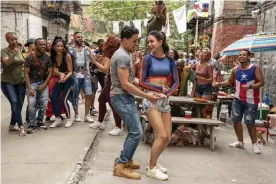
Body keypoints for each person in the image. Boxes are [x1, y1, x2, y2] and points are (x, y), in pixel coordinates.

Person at [111, 26, 160, 180]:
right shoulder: (122, 56)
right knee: (136, 132)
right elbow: (126, 84)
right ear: (124, 40)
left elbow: (132, 80)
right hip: (120, 97)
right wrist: (147, 95)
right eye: (133, 41)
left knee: (134, 130)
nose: (136, 44)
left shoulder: (126, 54)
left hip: (124, 97)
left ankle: (126, 160)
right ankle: (121, 166)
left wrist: (153, 87)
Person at [139, 31, 179, 181]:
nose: (149, 44)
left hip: (164, 99)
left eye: (152, 41)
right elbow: (142, 82)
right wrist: (159, 90)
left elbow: (176, 82)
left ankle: (153, 162)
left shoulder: (170, 60)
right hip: (151, 98)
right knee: (161, 135)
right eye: (148, 42)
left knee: (167, 137)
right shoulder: (147, 58)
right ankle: (151, 168)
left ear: (161, 41)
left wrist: (167, 94)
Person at [213, 49, 264, 154]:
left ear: (249, 57)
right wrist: (218, 84)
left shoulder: (255, 68)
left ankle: (255, 144)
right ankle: (240, 142)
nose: (241, 56)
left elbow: (261, 82)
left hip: (251, 100)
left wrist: (250, 86)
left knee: (250, 122)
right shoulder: (235, 69)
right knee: (236, 120)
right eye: (240, 55)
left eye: (244, 55)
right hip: (237, 99)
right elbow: (229, 81)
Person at [89, 35, 123, 136]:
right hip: (113, 79)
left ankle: (118, 127)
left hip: (112, 80)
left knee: (112, 102)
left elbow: (105, 69)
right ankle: (100, 122)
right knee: (102, 99)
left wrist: (94, 62)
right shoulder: (117, 52)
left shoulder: (108, 53)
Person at [24, 38, 53, 133]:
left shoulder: (47, 57)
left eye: (44, 44)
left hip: (43, 83)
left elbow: (50, 72)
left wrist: (44, 85)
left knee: (44, 104)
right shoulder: (30, 57)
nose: (43, 46)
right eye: (41, 44)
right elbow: (26, 73)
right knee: (31, 103)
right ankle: (32, 124)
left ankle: (40, 121)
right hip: (32, 84)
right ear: (36, 46)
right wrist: (29, 88)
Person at [1, 32, 26, 136]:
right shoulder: (4, 51)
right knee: (14, 102)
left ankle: (12, 125)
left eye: (16, 39)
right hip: (8, 81)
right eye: (12, 39)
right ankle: (21, 126)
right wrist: (14, 54)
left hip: (20, 81)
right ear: (7, 40)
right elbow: (6, 63)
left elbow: (22, 63)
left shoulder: (20, 50)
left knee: (19, 103)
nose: (14, 41)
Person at [68, 32, 94, 123]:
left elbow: (92, 60)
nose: (80, 38)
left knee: (88, 94)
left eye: (81, 37)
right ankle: (76, 115)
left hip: (86, 74)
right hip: (75, 74)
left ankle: (87, 115)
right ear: (74, 38)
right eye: (78, 37)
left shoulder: (87, 49)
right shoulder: (70, 49)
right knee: (75, 95)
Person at [50, 37, 74, 128]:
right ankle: (57, 119)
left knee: (63, 99)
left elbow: (71, 71)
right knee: (53, 97)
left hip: (69, 78)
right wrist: (60, 74)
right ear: (54, 47)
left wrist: (65, 77)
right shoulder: (53, 56)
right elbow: (55, 70)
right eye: (58, 46)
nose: (60, 48)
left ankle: (69, 119)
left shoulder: (67, 56)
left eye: (61, 46)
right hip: (60, 78)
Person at [193, 48, 213, 118]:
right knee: (196, 108)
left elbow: (211, 80)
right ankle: (198, 127)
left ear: (207, 56)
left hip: (206, 88)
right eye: (201, 52)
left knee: (203, 110)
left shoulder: (208, 66)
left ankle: (207, 125)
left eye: (204, 53)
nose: (201, 54)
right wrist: (193, 92)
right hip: (198, 87)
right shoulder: (197, 64)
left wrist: (202, 79)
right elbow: (195, 79)